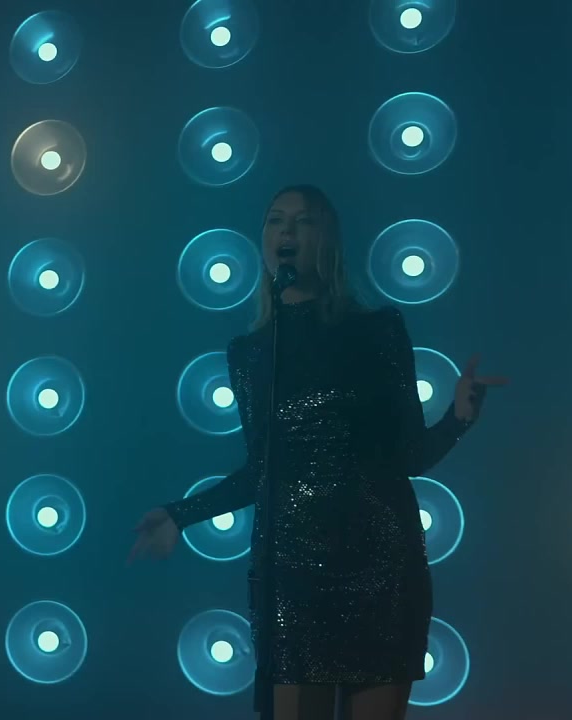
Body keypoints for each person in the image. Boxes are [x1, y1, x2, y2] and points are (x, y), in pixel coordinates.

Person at [130, 186, 506, 720]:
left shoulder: (377, 330)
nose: (287, 232)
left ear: (326, 239)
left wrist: (458, 418)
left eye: (303, 222)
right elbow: (260, 470)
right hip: (292, 576)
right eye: (275, 220)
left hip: (380, 566)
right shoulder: (250, 353)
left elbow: (409, 456)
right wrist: (180, 514)